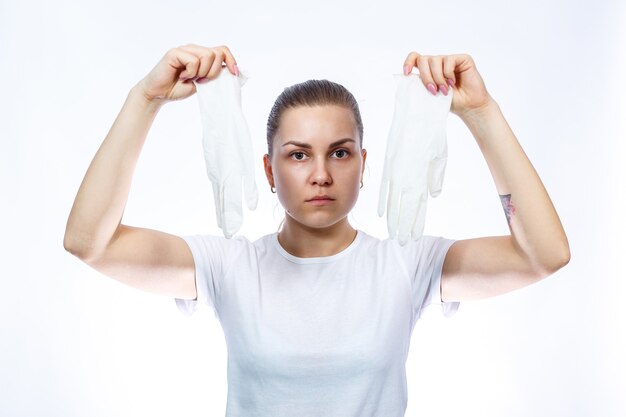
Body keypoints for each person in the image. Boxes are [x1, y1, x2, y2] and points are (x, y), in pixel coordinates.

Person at [63, 44, 570, 416]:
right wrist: (144, 98)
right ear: (268, 170)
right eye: (299, 154)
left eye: (340, 152)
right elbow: (91, 243)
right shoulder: (227, 267)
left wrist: (481, 113)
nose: (321, 173)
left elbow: (542, 255)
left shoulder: (407, 263)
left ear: (363, 163)